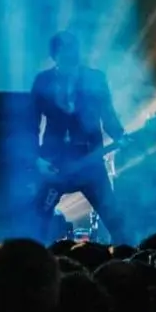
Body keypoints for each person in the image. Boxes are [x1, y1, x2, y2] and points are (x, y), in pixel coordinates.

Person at [32, 31, 128, 242]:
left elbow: (108, 114)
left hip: (90, 161)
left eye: (72, 48)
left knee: (116, 220)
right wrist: (36, 159)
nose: (70, 53)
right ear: (54, 54)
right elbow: (31, 122)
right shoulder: (43, 81)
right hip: (55, 164)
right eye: (64, 49)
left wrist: (121, 135)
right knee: (37, 221)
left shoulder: (95, 78)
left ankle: (128, 260)